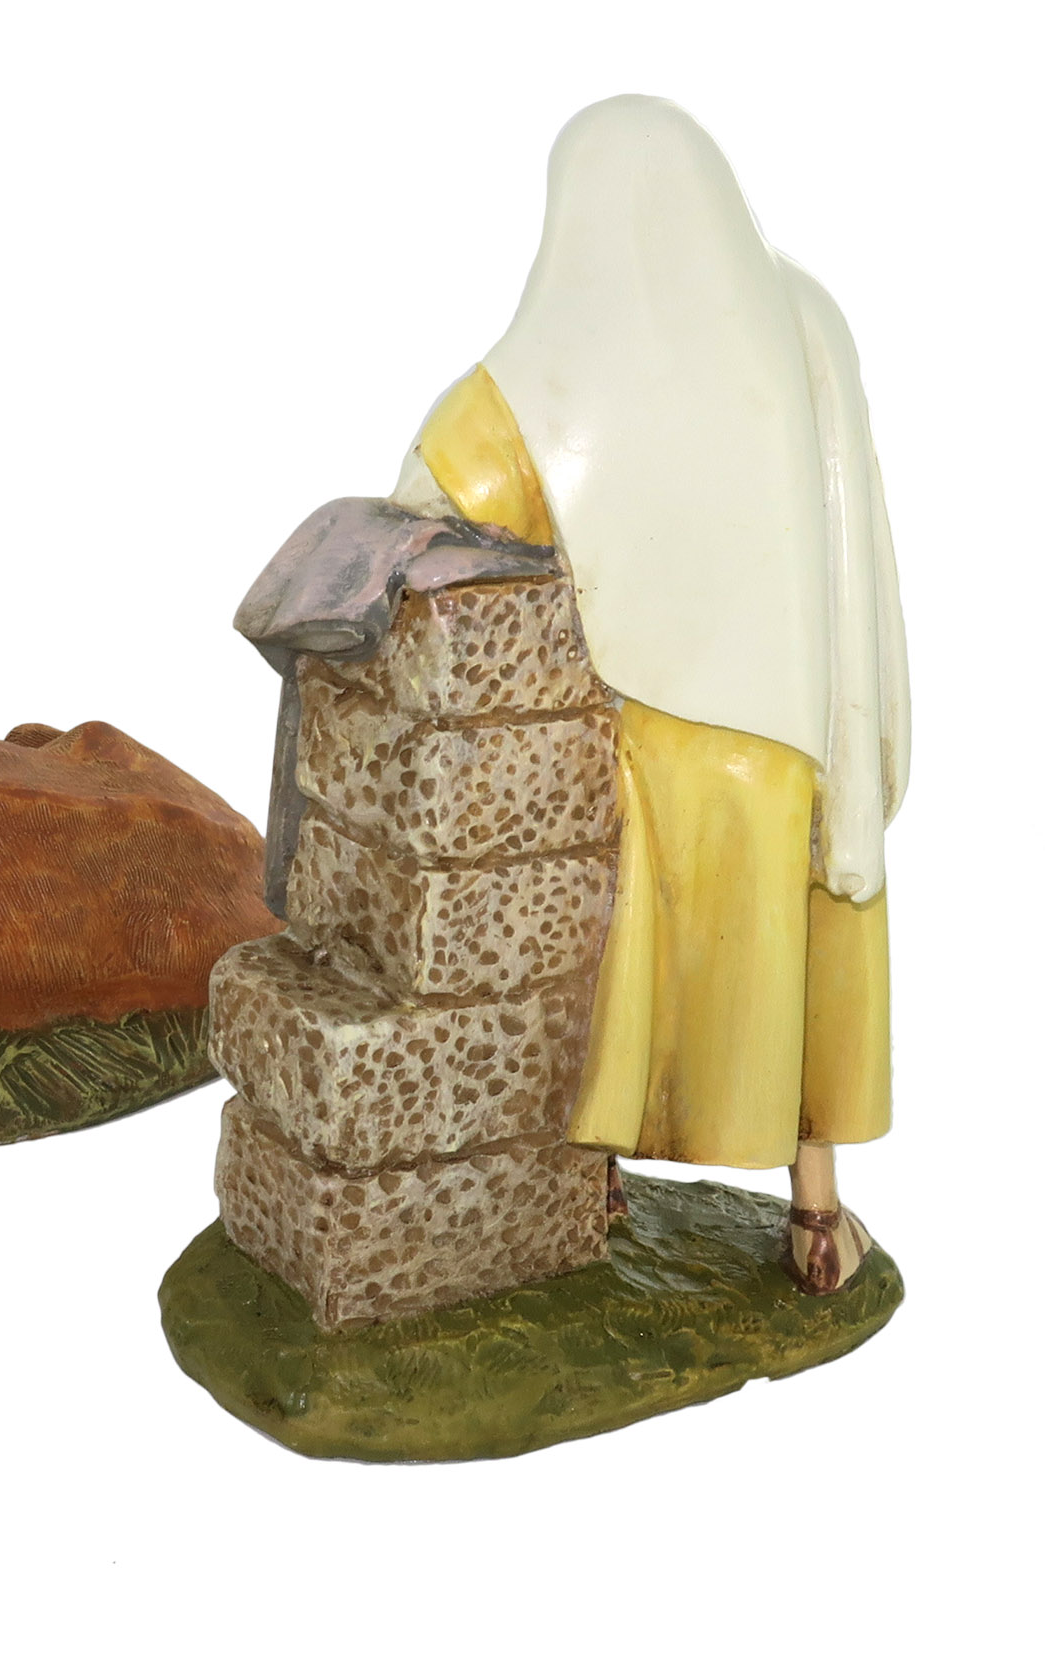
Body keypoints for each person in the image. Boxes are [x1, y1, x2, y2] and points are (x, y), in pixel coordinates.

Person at [384, 96, 911, 1293]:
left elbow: (433, 489)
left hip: (654, 734)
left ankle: (600, 1171)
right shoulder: (805, 312)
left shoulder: (551, 367)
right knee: (801, 950)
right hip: (804, 732)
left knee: (626, 958)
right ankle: (815, 1210)